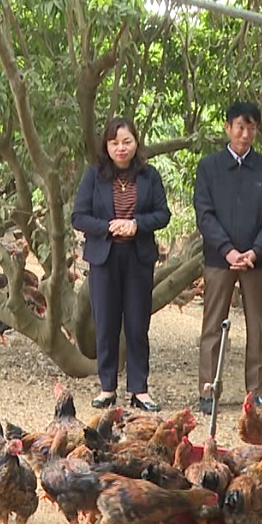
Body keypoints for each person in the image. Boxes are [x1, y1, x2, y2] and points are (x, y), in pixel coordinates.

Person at [71, 117, 172, 411]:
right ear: (106, 145)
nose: (121, 148)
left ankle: (139, 389)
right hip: (105, 257)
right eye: (115, 142)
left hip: (139, 258)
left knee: (138, 324)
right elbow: (79, 217)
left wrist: (136, 225)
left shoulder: (149, 176)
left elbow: (162, 214)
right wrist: (109, 227)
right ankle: (107, 387)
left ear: (136, 143)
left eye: (126, 141)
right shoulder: (94, 176)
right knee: (106, 324)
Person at [193, 101, 262, 415]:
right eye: (239, 127)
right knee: (213, 324)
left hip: (256, 262)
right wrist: (228, 250)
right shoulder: (209, 167)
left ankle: (256, 391)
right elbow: (204, 214)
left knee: (258, 326)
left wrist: (255, 251)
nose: (245, 134)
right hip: (219, 260)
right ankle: (208, 390)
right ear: (227, 128)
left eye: (251, 128)